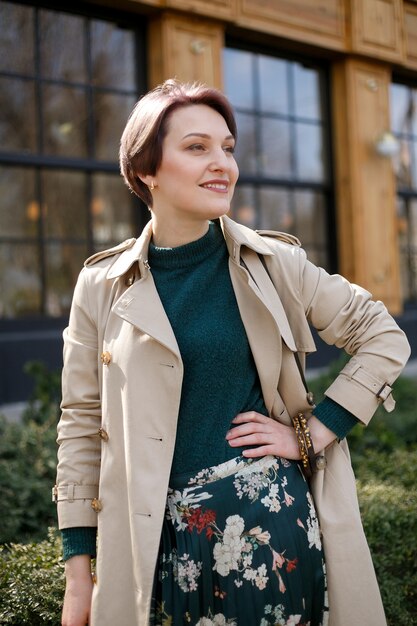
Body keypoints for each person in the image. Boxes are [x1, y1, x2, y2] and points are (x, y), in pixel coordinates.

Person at [55, 79, 410, 626]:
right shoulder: (102, 284)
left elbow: (383, 336)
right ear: (146, 169)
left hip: (264, 533)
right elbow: (81, 422)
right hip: (144, 545)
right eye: (197, 147)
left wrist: (314, 432)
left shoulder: (273, 263)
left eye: (227, 147)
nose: (223, 163)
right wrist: (79, 573)